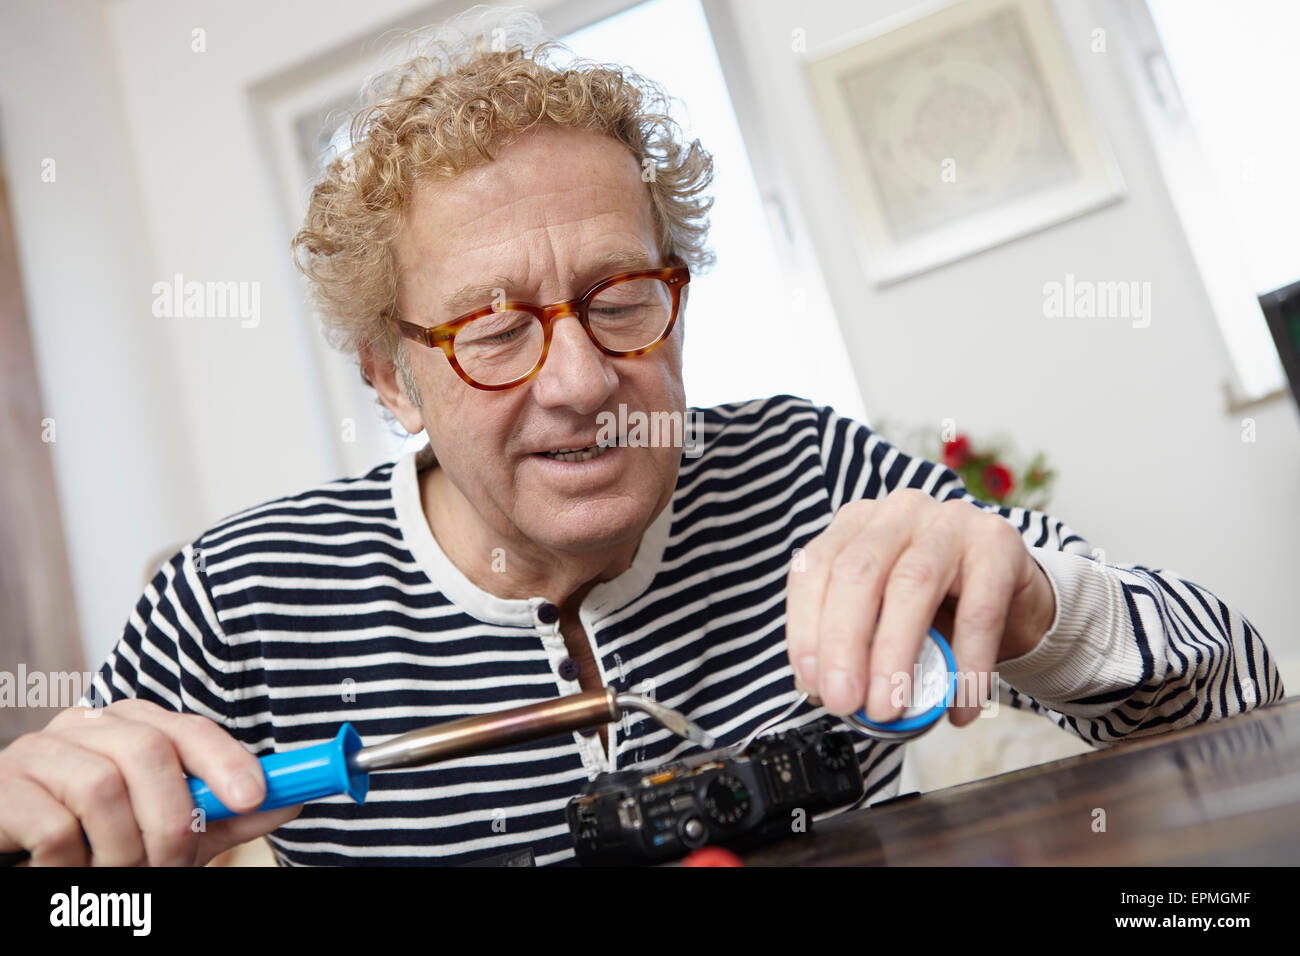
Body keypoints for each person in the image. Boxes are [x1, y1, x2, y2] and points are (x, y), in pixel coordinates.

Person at [0, 9, 1283, 867]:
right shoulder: (235, 599)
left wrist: (1044, 606)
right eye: (491, 332)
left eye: (622, 302)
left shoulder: (814, 473)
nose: (578, 381)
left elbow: (1242, 698)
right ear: (390, 376)